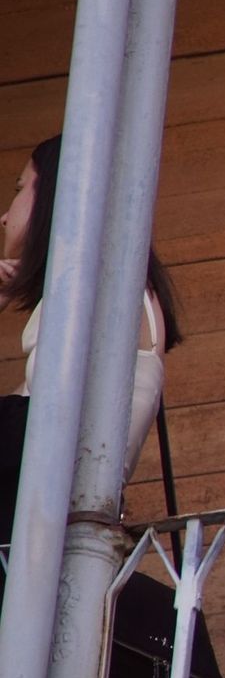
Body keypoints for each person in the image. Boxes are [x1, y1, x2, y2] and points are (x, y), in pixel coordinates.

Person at [0, 133, 183, 542]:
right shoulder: (116, 285)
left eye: (18, 190)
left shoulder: (92, 286)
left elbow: (49, 430)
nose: (5, 216)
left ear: (53, 195)